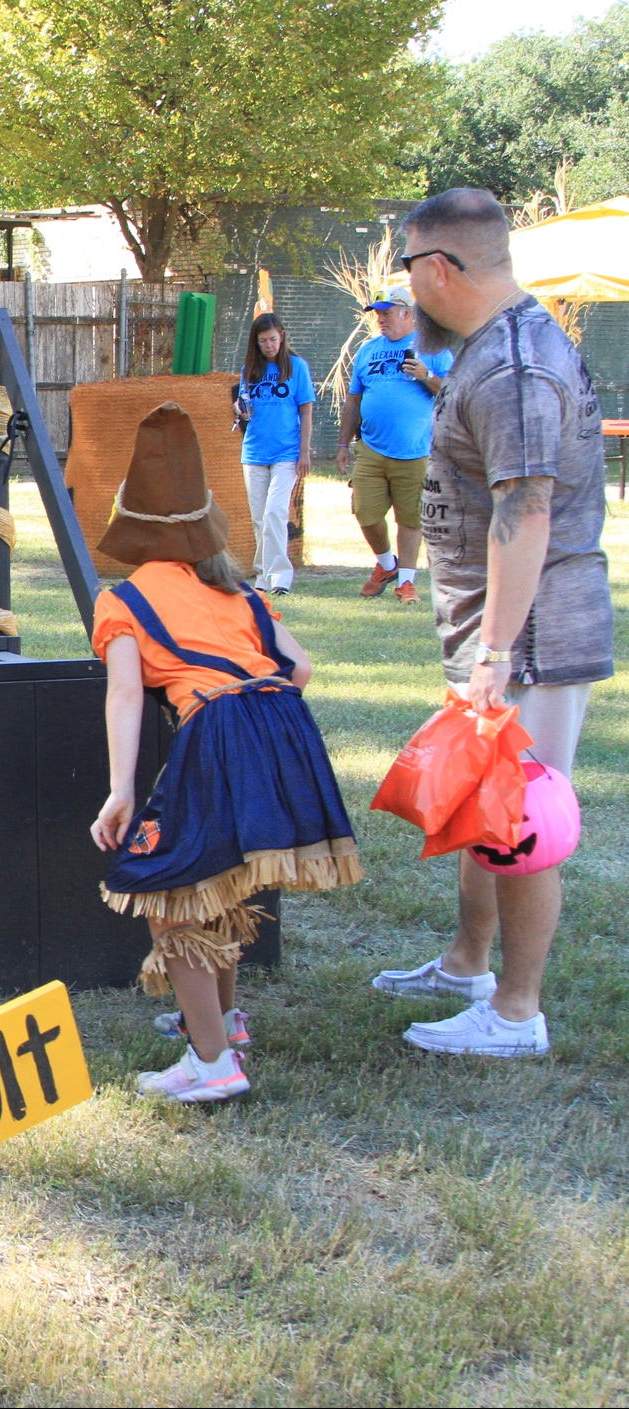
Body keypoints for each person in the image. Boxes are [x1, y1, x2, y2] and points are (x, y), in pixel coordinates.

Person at [371, 188, 612, 1057]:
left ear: (439, 269)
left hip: (533, 628)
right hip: (498, 628)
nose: (404, 290)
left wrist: (499, 651)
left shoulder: (512, 368)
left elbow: (528, 507)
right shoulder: (495, 347)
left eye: (406, 268)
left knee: (521, 818)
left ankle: (515, 1012)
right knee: (484, 797)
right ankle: (469, 963)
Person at [90, 403, 360, 1103]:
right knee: (224, 880)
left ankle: (210, 1062)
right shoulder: (236, 592)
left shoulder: (121, 600)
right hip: (282, 722)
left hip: (220, 728)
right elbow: (297, 669)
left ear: (133, 531)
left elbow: (124, 694)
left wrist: (121, 789)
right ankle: (221, 1020)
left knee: (165, 887)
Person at [337, 287, 453, 604]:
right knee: (365, 512)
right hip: (371, 447)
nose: (380, 319)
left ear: (406, 313)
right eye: (377, 313)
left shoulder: (433, 348)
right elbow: (354, 399)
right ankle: (388, 565)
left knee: (410, 519)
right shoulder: (367, 350)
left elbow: (455, 393)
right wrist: (343, 443)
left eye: (386, 312)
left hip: (416, 449)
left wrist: (426, 375)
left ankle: (406, 583)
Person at [236, 313, 315, 595]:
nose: (269, 345)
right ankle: (262, 575)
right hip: (255, 452)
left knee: (275, 512)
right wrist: (241, 410)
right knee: (260, 517)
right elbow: (245, 406)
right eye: (263, 341)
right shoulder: (250, 369)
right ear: (255, 343)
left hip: (287, 452)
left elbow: (306, 410)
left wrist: (304, 452)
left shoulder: (297, 367)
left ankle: (280, 577)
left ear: (281, 336)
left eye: (272, 339)